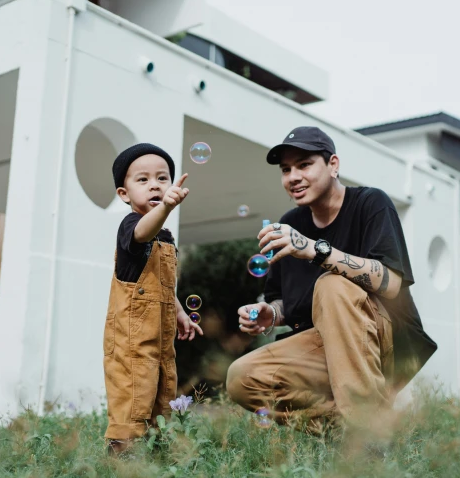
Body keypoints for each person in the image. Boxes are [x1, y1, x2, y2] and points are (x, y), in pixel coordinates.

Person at [226, 126, 437, 432]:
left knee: (332, 283)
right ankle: (359, 429)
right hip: (324, 344)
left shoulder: (370, 203)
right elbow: (284, 301)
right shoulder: (290, 224)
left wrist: (314, 249)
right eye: (286, 170)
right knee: (242, 377)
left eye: (304, 164)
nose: (293, 177)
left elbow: (391, 282)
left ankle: (367, 435)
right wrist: (270, 314)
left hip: (382, 341)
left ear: (333, 165)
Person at [104, 143, 203, 453]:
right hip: (131, 337)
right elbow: (143, 232)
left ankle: (156, 449)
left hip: (160, 335)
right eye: (143, 180)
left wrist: (179, 313)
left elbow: (164, 286)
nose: (155, 185)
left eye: (162, 178)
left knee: (162, 388)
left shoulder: (166, 238)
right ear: (124, 193)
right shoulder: (132, 226)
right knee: (133, 390)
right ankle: (121, 451)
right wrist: (166, 208)